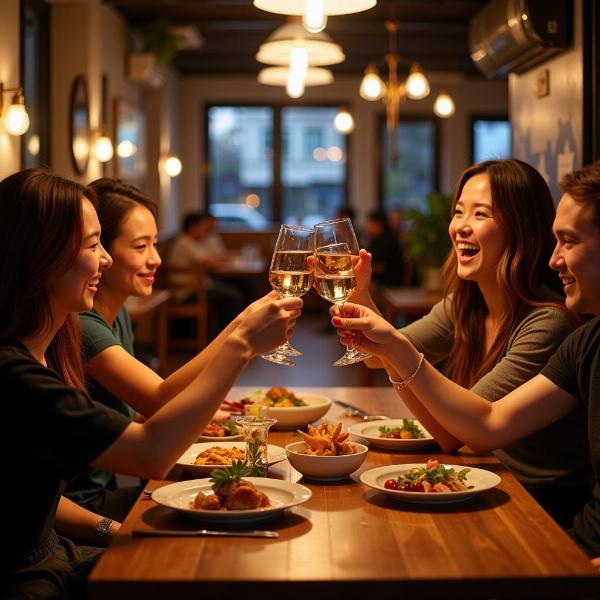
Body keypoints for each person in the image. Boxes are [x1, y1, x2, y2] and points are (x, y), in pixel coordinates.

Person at [0, 169, 302, 597]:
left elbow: (41, 500)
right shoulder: (15, 373)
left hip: (59, 548)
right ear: (40, 257)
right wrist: (241, 343)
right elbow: (151, 452)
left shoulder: (49, 348)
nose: (104, 258)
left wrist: (113, 530)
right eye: (92, 245)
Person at [332, 160, 600, 563]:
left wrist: (393, 348)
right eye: (458, 211)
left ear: (521, 230)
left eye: (481, 213)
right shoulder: (466, 305)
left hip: (536, 500)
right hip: (491, 479)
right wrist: (362, 296)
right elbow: (382, 358)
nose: (460, 225)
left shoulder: (552, 324)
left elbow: (469, 430)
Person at [65, 178, 279, 522]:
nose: (156, 259)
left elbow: (126, 410)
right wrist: (241, 329)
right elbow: (157, 397)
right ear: (99, 251)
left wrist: (197, 413)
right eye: (140, 247)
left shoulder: (116, 312)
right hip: (88, 506)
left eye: (154, 243)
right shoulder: (83, 326)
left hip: (108, 491)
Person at [167, 211, 245, 331]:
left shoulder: (190, 242)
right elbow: (209, 262)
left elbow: (209, 258)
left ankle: (224, 332)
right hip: (187, 292)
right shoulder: (185, 242)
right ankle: (225, 334)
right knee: (234, 296)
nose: (203, 231)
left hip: (196, 288)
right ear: (193, 227)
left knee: (236, 289)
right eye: (201, 227)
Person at [364, 209, 404, 287]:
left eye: (370, 223)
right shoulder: (375, 240)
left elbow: (387, 267)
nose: (367, 227)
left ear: (378, 224)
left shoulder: (388, 241)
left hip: (389, 284)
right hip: (380, 281)